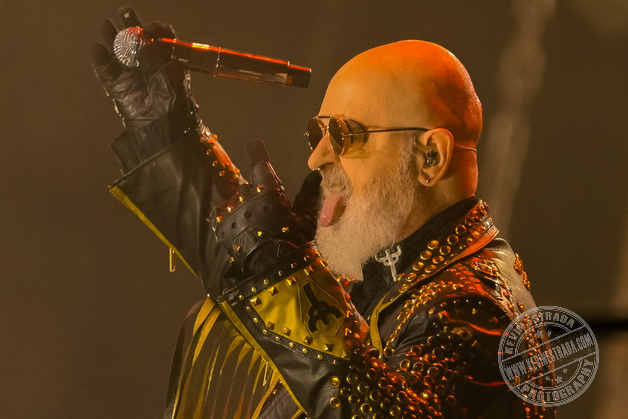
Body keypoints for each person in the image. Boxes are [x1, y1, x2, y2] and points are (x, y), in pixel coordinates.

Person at [92, 7, 555, 419]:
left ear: (430, 157)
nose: (316, 159)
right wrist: (167, 129)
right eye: (318, 134)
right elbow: (244, 270)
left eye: (345, 135)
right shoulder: (385, 267)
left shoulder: (481, 311)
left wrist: (282, 269)